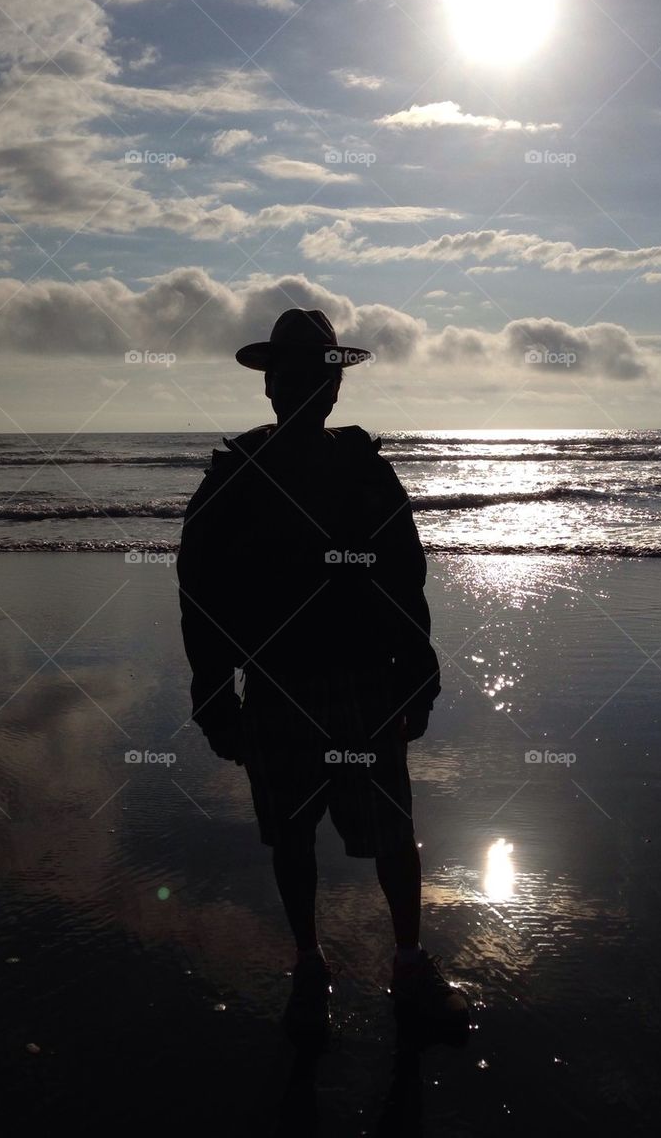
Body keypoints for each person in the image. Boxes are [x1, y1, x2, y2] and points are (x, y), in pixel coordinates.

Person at [177, 308, 468, 1041]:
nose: (304, 385)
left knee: (389, 830)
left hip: (365, 677)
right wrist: (214, 695)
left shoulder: (363, 468)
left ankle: (406, 962)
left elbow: (405, 575)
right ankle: (311, 965)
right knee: (293, 833)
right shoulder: (237, 474)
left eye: (317, 373)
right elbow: (200, 590)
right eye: (292, 373)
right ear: (270, 384)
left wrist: (418, 672)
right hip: (278, 682)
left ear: (334, 386)